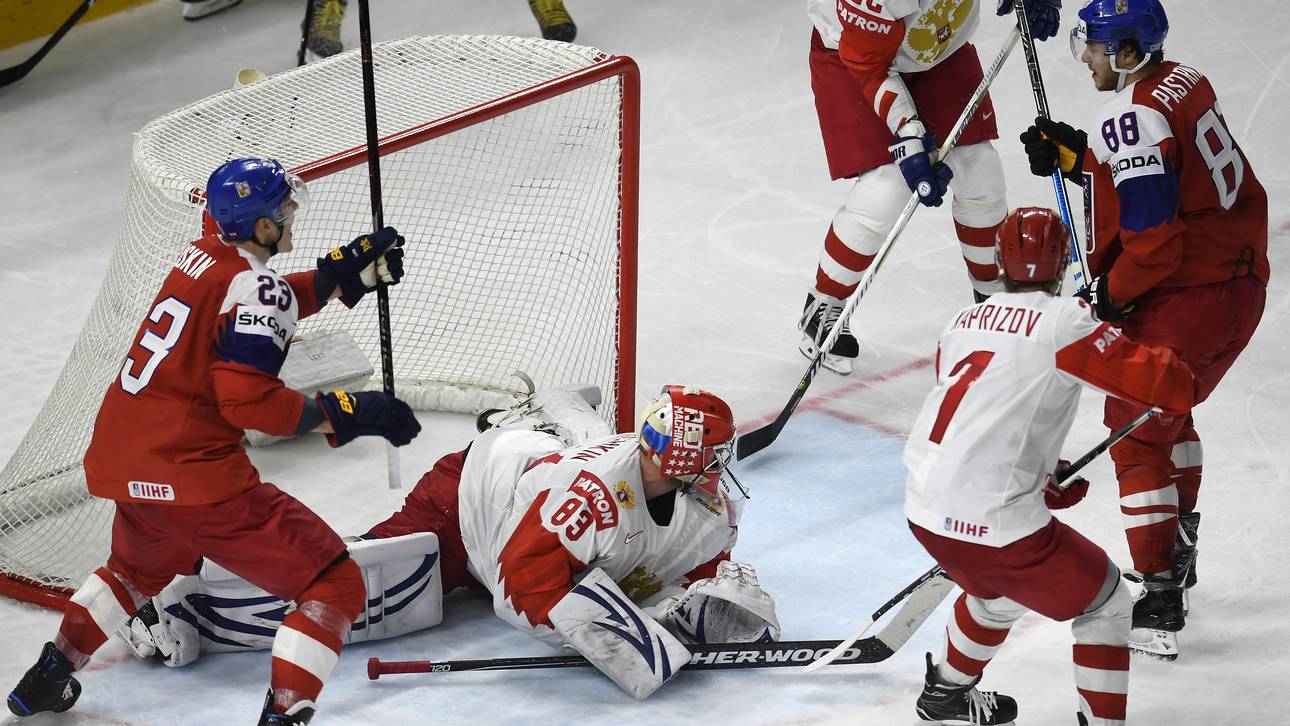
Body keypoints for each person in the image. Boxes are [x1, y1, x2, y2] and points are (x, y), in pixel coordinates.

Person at [5, 158, 421, 725]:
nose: (291, 215)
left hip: (125, 459)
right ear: (264, 226)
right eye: (284, 208)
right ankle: (284, 715)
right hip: (193, 476)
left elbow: (242, 301)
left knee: (131, 573)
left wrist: (334, 280)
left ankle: (47, 676)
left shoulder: (201, 256)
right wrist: (349, 411)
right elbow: (250, 404)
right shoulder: (256, 285)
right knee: (334, 583)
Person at [115, 385, 779, 701]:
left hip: (531, 478)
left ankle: (545, 415)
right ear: (688, 457)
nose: (723, 467)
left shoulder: (705, 502)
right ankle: (175, 607)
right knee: (369, 591)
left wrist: (692, 603)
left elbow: (696, 564)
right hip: (466, 503)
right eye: (714, 455)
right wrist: (631, 633)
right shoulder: (593, 497)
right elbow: (522, 592)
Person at [1019, 0, 1267, 657]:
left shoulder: (1131, 115)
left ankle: (1158, 597)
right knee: (1166, 417)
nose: (1086, 58)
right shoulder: (1181, 79)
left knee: (1133, 436)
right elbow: (1167, 176)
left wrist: (1110, 292)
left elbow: (1155, 243)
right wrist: (1078, 158)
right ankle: (1178, 544)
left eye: (1095, 48)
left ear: (1127, 53)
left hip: (1187, 297)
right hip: (1235, 287)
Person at [902, 207, 1196, 725]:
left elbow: (978, 414)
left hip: (923, 508)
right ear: (1064, 264)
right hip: (996, 526)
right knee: (1106, 603)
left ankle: (946, 692)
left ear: (998, 260)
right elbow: (1166, 388)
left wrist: (1039, 471)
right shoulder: (1063, 322)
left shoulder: (961, 321)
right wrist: (1172, 336)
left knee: (996, 593)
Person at [800, 0, 1062, 374]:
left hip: (937, 48)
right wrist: (908, 134)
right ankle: (823, 304)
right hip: (855, 56)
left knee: (979, 169)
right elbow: (871, 68)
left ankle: (994, 308)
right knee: (887, 187)